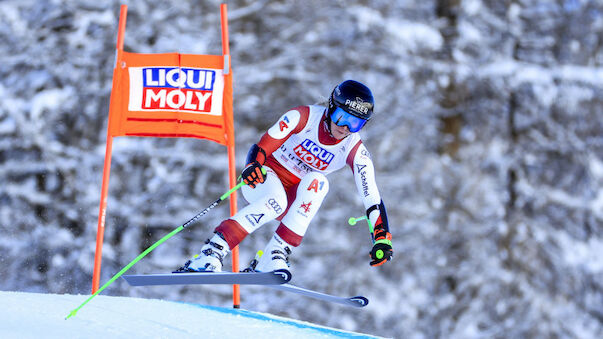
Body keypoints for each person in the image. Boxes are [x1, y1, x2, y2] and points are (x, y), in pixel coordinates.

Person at [179, 80, 393, 273]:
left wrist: (381, 237)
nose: (345, 127)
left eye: (355, 124)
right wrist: (253, 165)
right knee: (276, 202)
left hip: (293, 198)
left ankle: (274, 254)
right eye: (341, 117)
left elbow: (371, 197)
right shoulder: (303, 117)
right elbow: (263, 146)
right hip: (262, 179)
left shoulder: (354, 150)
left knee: (319, 183)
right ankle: (211, 251)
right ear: (330, 107)